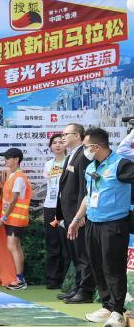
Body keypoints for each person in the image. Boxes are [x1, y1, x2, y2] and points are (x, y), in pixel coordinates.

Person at [66, 127, 133, 327]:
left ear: (96, 147)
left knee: (113, 267)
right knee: (97, 265)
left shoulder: (121, 165)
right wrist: (77, 219)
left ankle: (118, 312)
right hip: (93, 223)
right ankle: (107, 306)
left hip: (114, 224)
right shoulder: (91, 167)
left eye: (86, 146)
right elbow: (88, 196)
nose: (84, 150)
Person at [55, 123, 95, 304]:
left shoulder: (84, 155)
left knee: (83, 255)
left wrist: (81, 215)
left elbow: (84, 188)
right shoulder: (72, 155)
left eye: (66, 134)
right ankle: (78, 287)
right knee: (75, 253)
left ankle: (85, 292)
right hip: (68, 213)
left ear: (77, 136)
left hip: (78, 215)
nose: (62, 137)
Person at [0, 148, 32, 290]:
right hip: (13, 218)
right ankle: (20, 279)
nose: (5, 160)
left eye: (7, 157)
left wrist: (3, 218)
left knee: (13, 246)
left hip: (15, 219)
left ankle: (20, 280)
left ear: (16, 159)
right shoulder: (13, 175)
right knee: (15, 246)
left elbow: (13, 200)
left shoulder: (18, 177)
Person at [41, 134, 68, 290]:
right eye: (54, 143)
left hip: (65, 207)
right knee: (52, 242)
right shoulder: (48, 164)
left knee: (66, 243)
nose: (58, 145)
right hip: (50, 207)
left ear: (65, 145)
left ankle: (66, 280)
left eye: (60, 142)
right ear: (50, 146)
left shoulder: (70, 161)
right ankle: (52, 280)